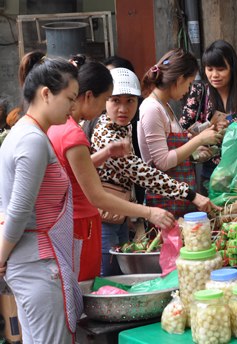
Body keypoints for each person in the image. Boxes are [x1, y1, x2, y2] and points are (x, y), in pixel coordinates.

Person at [48, 57, 174, 281]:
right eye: (109, 100)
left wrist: (106, 153)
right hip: (82, 225)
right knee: (94, 284)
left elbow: (72, 172)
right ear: (88, 96)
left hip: (77, 223)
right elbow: (97, 197)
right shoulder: (73, 134)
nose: (117, 109)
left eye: (129, 101)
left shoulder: (58, 128)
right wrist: (149, 212)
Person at [92, 67, 218, 275]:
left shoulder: (123, 126)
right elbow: (144, 174)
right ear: (105, 101)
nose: (123, 108)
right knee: (108, 278)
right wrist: (190, 194)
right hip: (104, 220)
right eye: (116, 101)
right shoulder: (107, 134)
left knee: (119, 278)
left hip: (120, 215)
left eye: (130, 101)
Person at [0, 53, 81, 343]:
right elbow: (18, 211)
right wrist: (0, 258)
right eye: (70, 98)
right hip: (38, 266)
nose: (73, 107)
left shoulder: (22, 133)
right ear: (46, 94)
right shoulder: (32, 140)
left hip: (32, 263)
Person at [138, 48, 222, 218]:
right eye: (189, 83)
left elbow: (174, 145)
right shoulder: (152, 108)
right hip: (165, 202)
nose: (189, 90)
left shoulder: (165, 105)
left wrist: (195, 146)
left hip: (180, 198)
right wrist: (198, 141)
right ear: (179, 79)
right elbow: (162, 162)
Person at [180, 40, 237, 193]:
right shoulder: (200, 92)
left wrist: (231, 131)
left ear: (232, 68)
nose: (214, 75)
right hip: (209, 172)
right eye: (209, 69)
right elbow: (182, 129)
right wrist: (198, 142)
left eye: (221, 69)